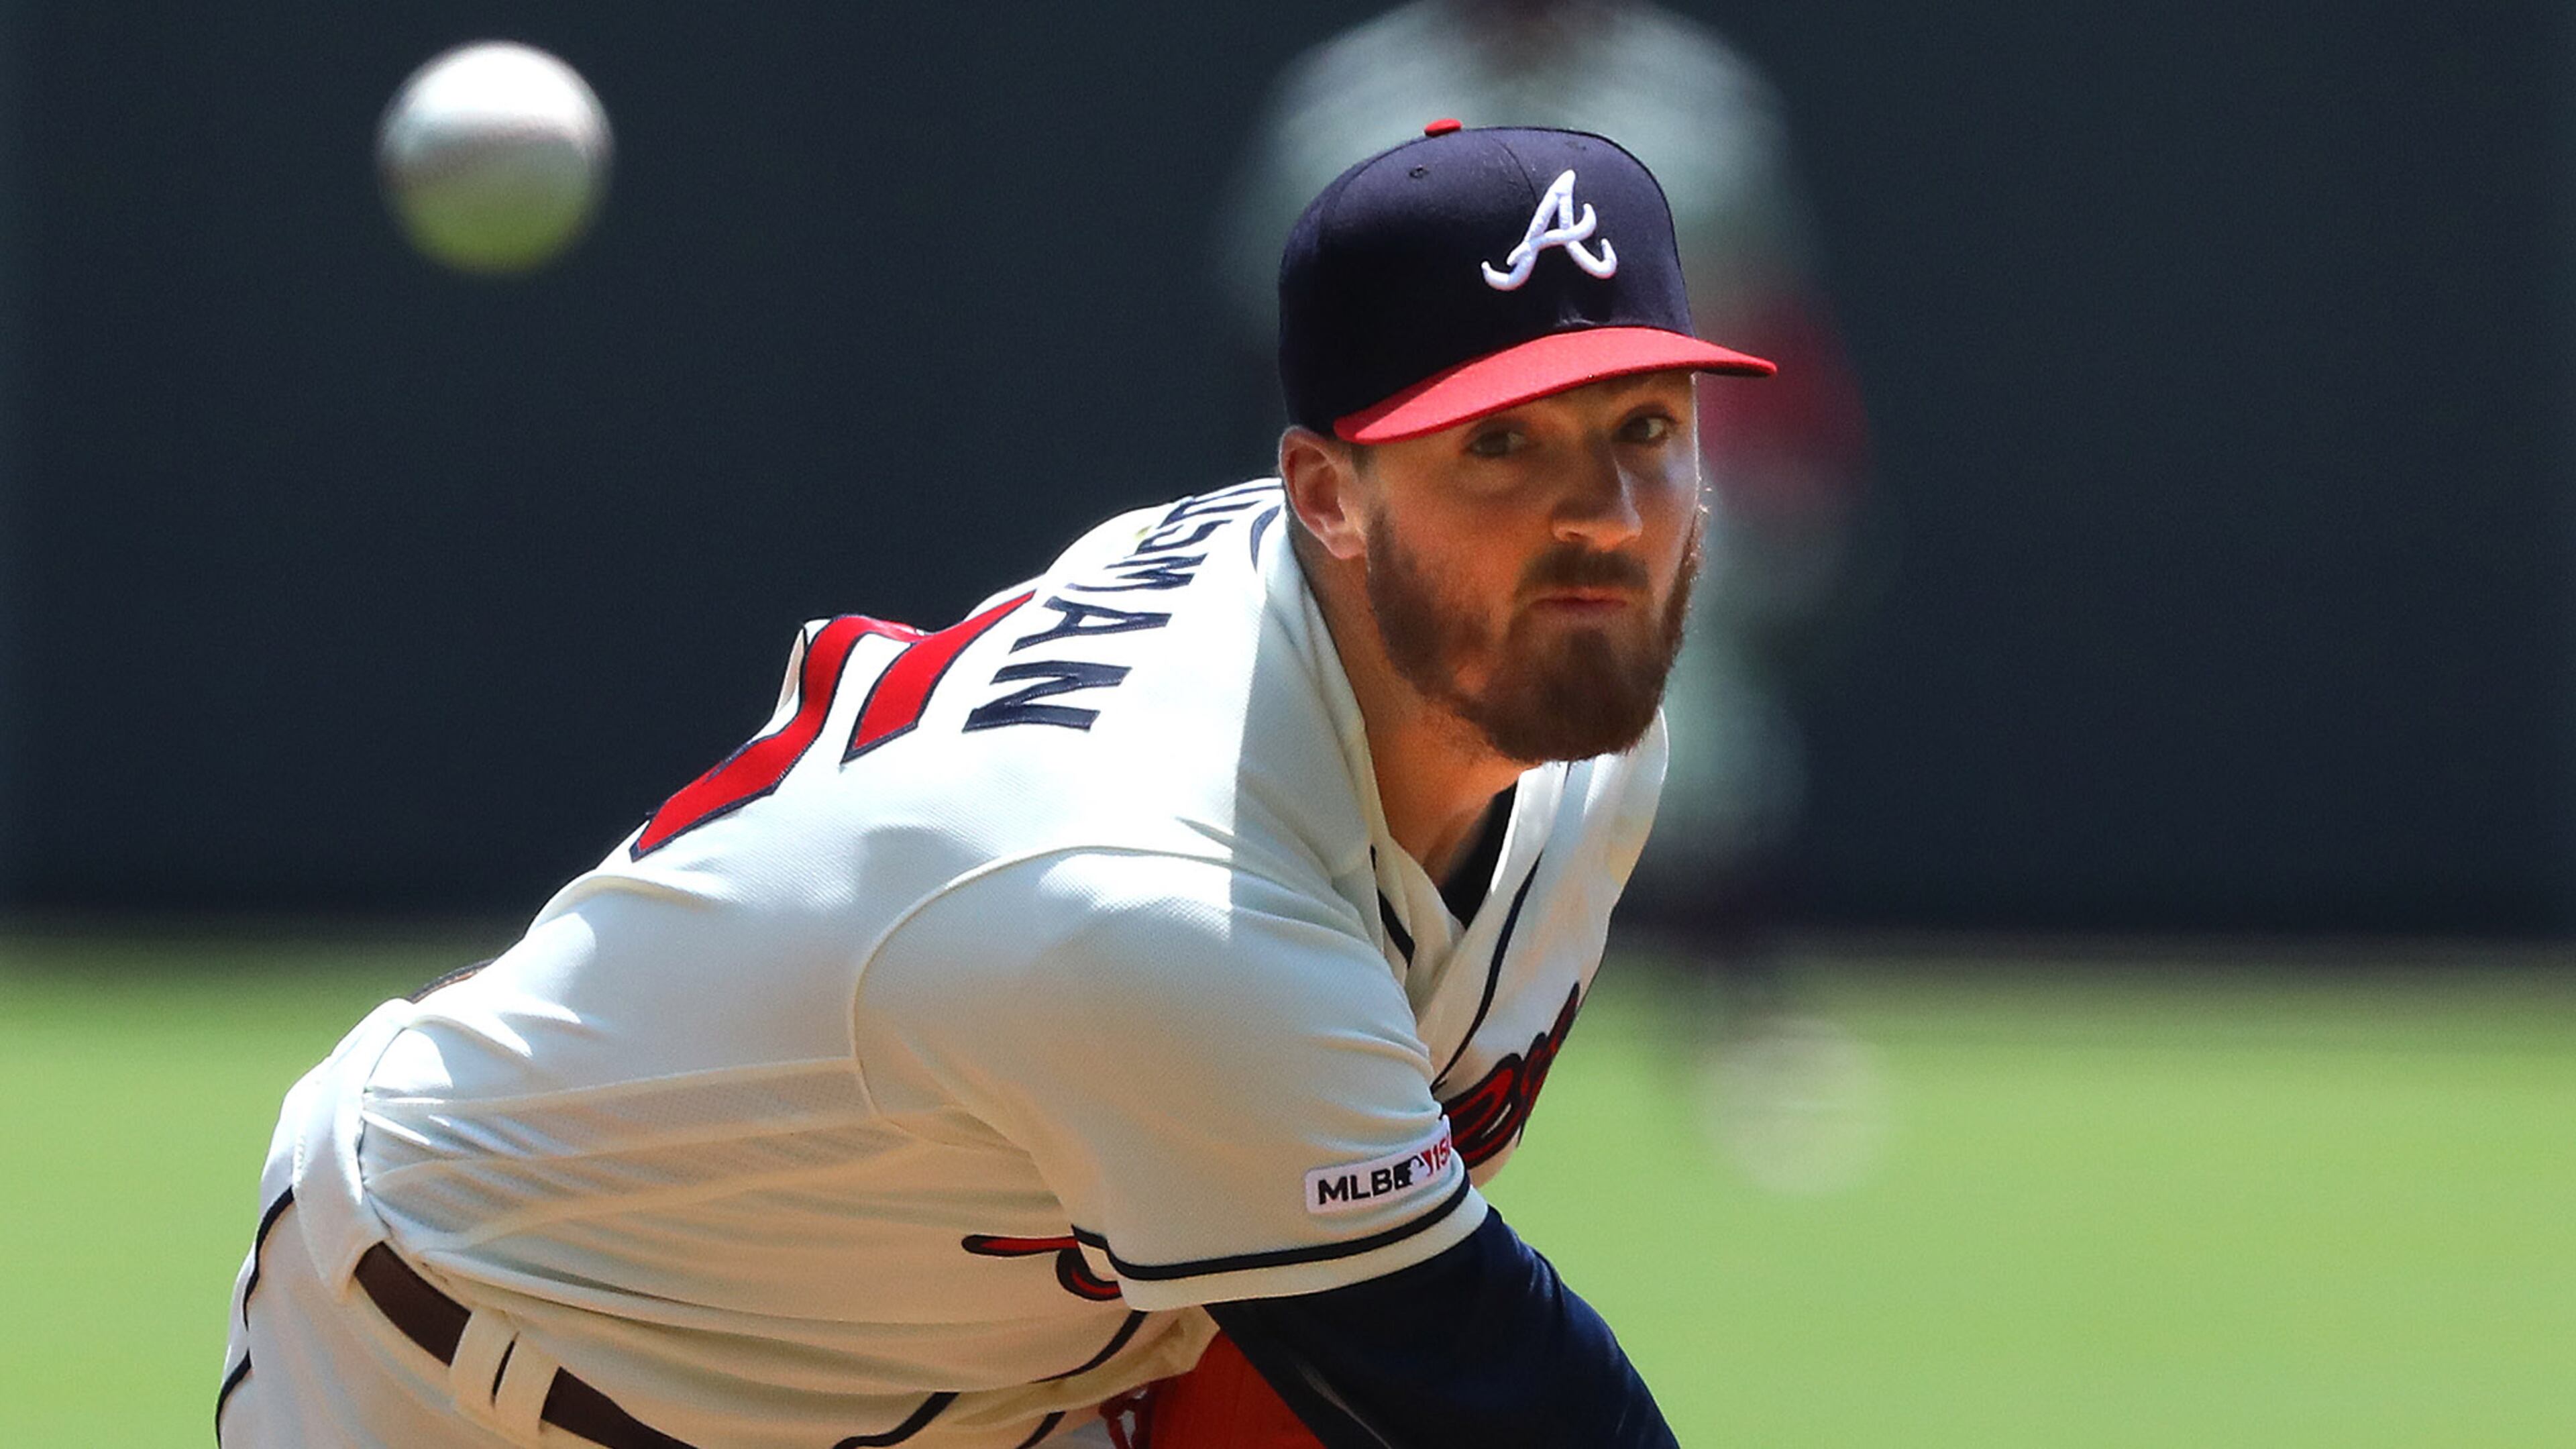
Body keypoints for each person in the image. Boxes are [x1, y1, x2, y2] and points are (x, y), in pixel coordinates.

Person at [217, 123, 1772, 1449]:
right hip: (495, 1367)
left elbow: (1292, 1333)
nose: (1603, 518)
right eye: (1497, 445)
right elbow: (1487, 1388)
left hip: (962, 1377)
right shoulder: (1151, 887)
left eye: (1644, 426)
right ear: (1326, 497)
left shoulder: (1557, 701)